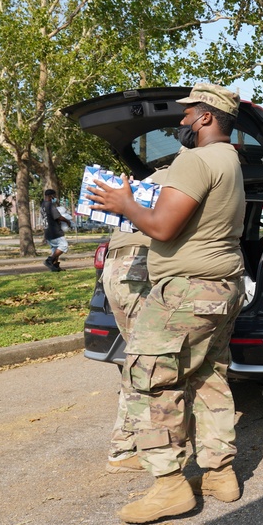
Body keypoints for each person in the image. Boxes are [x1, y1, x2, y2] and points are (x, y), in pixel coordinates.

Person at [86, 83, 246, 524]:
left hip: (186, 291)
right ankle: (219, 474)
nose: (181, 121)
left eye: (188, 113)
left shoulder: (195, 160)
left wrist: (123, 202)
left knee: (148, 379)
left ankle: (169, 486)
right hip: (222, 286)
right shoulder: (230, 160)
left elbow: (162, 226)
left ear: (208, 117)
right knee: (209, 376)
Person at [102, 167, 168, 475]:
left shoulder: (151, 177)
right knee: (147, 363)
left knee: (137, 361)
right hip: (136, 271)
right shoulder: (185, 175)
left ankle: (126, 444)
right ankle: (126, 448)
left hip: (117, 269)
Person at [41, 189, 72, 272]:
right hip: (54, 231)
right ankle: (49, 260)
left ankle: (55, 266)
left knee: (55, 249)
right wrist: (67, 221)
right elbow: (58, 217)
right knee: (63, 245)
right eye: (54, 196)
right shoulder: (50, 205)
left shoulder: (43, 205)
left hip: (47, 231)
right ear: (51, 196)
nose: (55, 198)